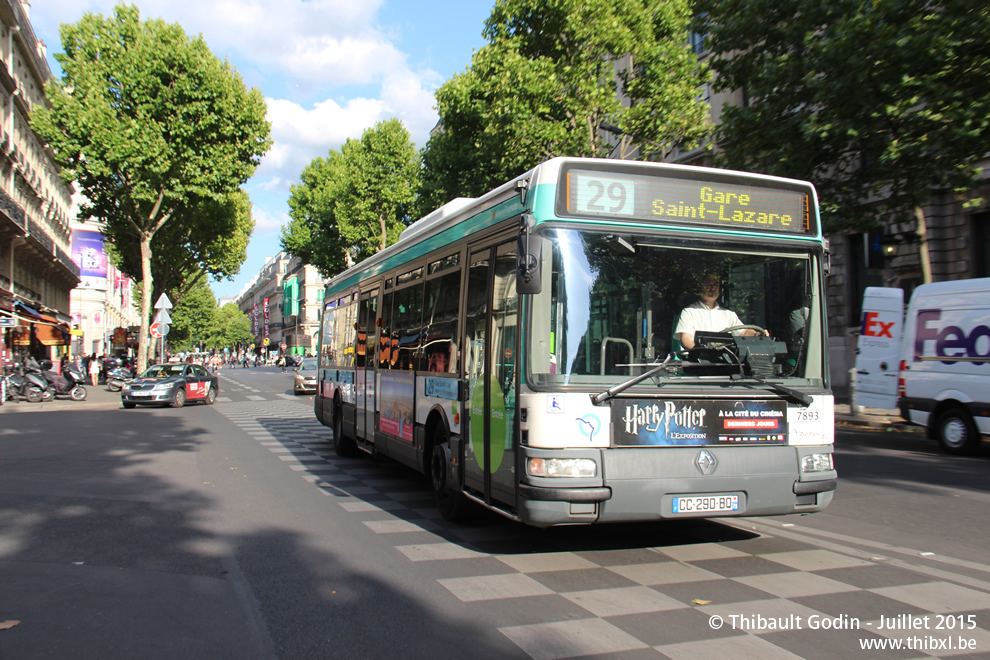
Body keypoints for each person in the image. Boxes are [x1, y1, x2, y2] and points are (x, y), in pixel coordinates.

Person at [674, 275, 762, 349]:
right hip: (698, 364)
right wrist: (699, 352)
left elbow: (743, 332)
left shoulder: (728, 314)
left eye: (715, 285)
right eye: (708, 284)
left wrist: (757, 334)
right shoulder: (689, 312)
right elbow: (685, 339)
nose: (712, 288)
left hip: (725, 361)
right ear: (700, 288)